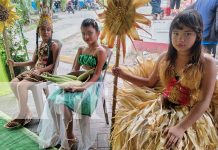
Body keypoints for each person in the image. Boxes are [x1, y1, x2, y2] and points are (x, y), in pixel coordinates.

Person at [111, 9, 218, 149]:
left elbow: (204, 101)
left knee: (177, 145)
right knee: (138, 132)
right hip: (161, 105)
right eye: (176, 33)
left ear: (198, 36)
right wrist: (124, 75)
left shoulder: (207, 63)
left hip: (191, 113)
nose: (181, 39)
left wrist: (181, 128)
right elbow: (149, 83)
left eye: (187, 34)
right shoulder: (164, 58)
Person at [38, 18, 107, 150]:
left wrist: (82, 88)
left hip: (92, 85)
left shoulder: (100, 51)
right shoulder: (81, 49)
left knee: (69, 103)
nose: (86, 36)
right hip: (78, 80)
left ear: (98, 33)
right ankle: (65, 135)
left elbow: (97, 74)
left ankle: (73, 139)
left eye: (89, 33)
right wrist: (66, 82)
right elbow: (74, 70)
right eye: (83, 33)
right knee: (53, 99)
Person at [4, 12, 59, 129]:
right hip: (35, 71)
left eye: (48, 30)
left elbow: (54, 65)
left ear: (52, 32)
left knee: (21, 86)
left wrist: (40, 70)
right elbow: (32, 62)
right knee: (13, 83)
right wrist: (15, 64)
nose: (46, 32)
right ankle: (27, 112)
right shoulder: (39, 45)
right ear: (39, 31)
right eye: (43, 30)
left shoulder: (53, 45)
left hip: (45, 73)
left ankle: (21, 115)